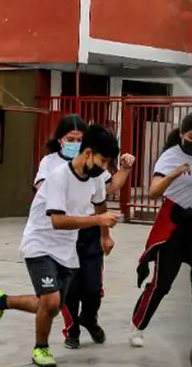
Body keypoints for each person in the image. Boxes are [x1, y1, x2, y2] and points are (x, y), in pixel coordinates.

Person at [0, 125, 121, 367]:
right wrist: (98, 220)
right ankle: (41, 349)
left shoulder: (97, 178)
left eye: (109, 162)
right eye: (103, 160)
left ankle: (2, 300)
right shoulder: (59, 177)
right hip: (40, 242)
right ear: (87, 153)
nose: (104, 167)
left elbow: (100, 205)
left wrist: (105, 236)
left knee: (52, 305)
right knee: (50, 302)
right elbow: (57, 221)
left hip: (66, 248)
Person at [34, 115, 135, 348]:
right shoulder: (52, 166)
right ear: (60, 139)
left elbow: (105, 193)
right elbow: (45, 196)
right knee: (70, 289)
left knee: (92, 287)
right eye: (71, 139)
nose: (75, 144)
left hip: (88, 230)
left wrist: (105, 233)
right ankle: (72, 329)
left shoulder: (94, 171)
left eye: (80, 140)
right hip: (62, 234)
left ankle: (89, 318)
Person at [132, 112, 192, 349]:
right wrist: (174, 173)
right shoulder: (170, 157)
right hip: (175, 224)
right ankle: (138, 326)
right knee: (162, 283)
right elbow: (153, 192)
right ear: (182, 134)